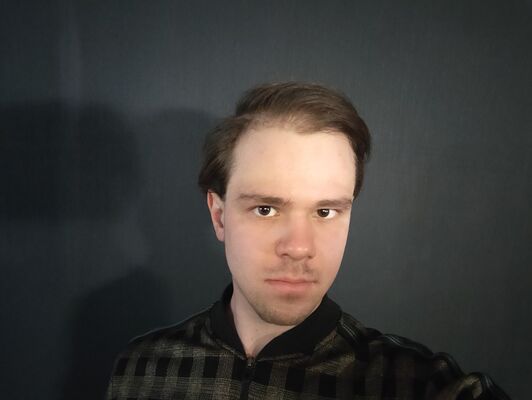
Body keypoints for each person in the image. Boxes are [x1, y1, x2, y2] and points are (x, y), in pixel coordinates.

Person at [106, 82, 509, 399]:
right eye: (266, 209)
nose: (299, 247)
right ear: (219, 215)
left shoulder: (417, 385)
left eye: (325, 212)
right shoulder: (141, 369)